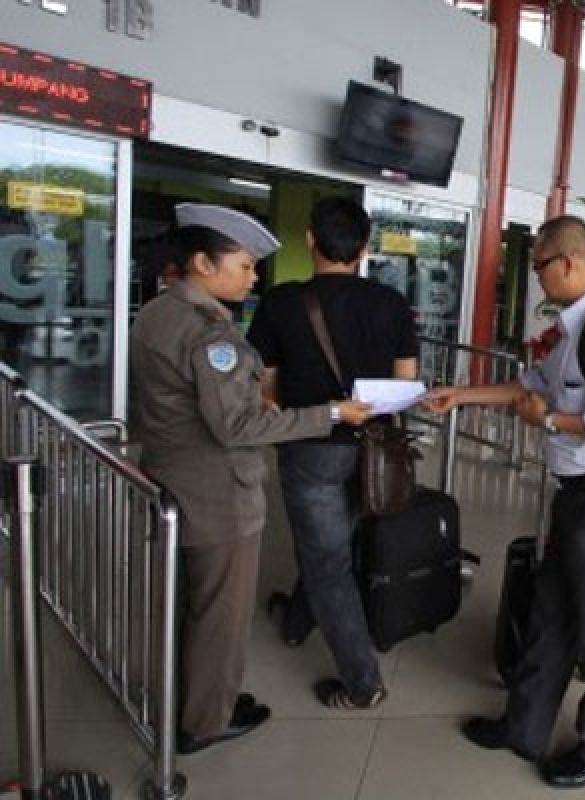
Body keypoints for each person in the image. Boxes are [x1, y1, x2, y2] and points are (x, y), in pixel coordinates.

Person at [129, 204, 372, 755]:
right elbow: (238, 424)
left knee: (194, 605)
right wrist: (332, 414)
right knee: (221, 615)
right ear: (202, 263)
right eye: (243, 265)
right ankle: (205, 722)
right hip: (217, 495)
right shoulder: (207, 335)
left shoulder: (155, 312)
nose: (254, 276)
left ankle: (194, 700)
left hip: (172, 479)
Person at [422, 216, 585, 790]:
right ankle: (524, 725)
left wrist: (550, 420)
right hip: (576, 499)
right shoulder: (579, 328)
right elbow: (532, 388)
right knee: (550, 614)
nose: (537, 281)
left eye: (538, 268)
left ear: (568, 262)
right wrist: (461, 397)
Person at [247, 197, 419, 709]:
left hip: (311, 448)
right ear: (365, 249)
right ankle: (297, 621)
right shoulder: (391, 303)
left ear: (308, 241)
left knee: (327, 561)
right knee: (331, 547)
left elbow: (268, 393)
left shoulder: (280, 303)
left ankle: (363, 683)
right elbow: (405, 384)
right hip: (374, 452)